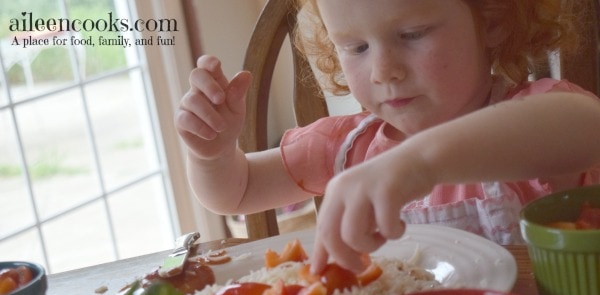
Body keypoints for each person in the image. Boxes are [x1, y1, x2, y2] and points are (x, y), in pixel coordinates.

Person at [175, 0, 600, 274]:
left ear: (490, 19)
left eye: (412, 35)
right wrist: (211, 154)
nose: (383, 71)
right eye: (355, 48)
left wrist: (419, 162)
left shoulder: (538, 117)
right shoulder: (345, 147)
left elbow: (586, 125)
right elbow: (238, 190)